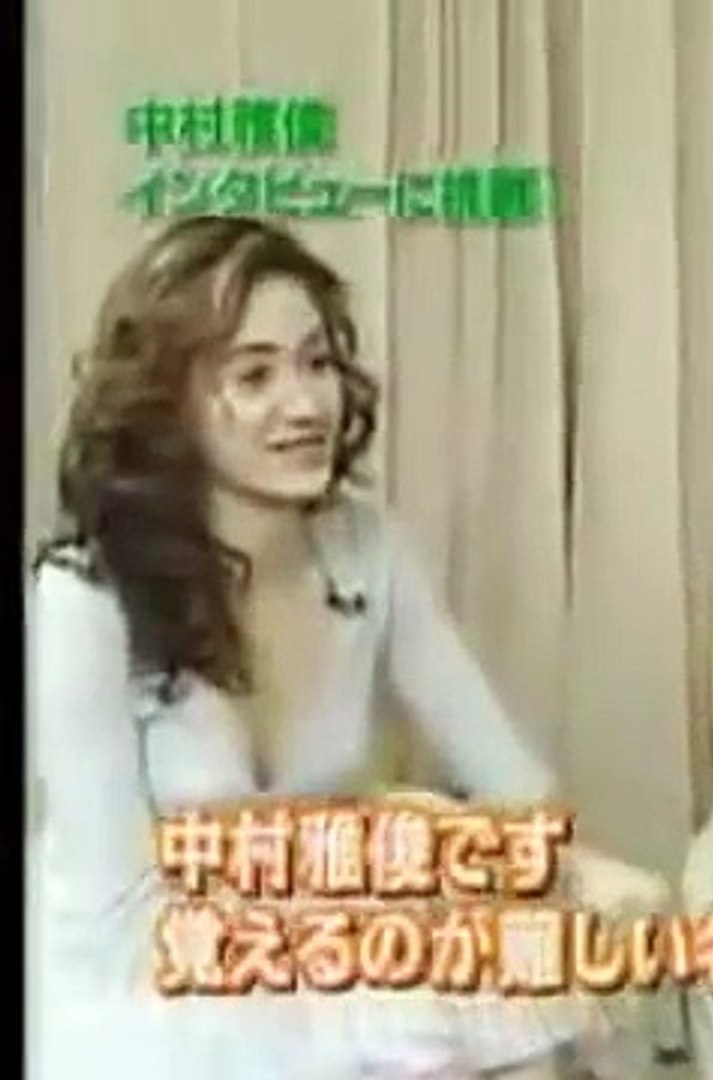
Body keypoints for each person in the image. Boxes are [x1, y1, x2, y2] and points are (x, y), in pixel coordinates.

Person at [29, 216, 617, 1079]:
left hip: (320, 957)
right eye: (254, 375)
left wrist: (555, 867)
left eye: (317, 363)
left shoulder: (365, 550)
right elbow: (122, 925)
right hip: (141, 993)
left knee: (514, 992)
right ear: (167, 406)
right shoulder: (86, 598)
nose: (306, 406)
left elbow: (516, 789)